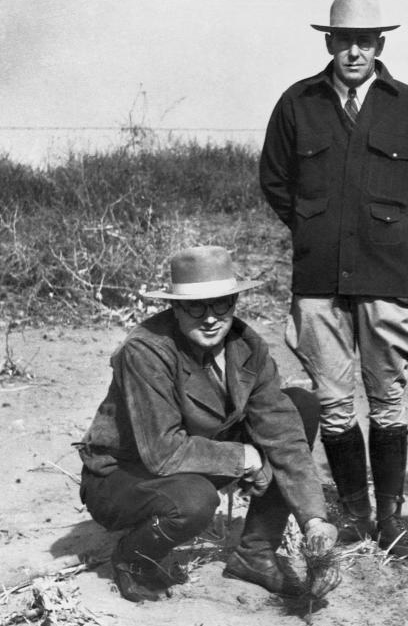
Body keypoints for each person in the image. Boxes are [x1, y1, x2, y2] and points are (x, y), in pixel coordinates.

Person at [259, 0, 408, 558]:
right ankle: (354, 514)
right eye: (345, 41)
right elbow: (276, 182)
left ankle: (391, 522)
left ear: (380, 44)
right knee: (335, 402)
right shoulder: (298, 105)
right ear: (330, 41)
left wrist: (389, 234)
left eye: (365, 42)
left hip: (391, 280)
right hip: (319, 282)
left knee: (387, 399)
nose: (354, 53)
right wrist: (316, 228)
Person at [77, 246, 338, 602]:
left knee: (300, 406)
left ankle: (255, 555)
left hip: (196, 454)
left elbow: (282, 432)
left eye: (222, 304)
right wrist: (247, 457)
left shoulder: (246, 345)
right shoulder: (146, 350)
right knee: (195, 501)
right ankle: (132, 559)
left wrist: (314, 520)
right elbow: (162, 453)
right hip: (124, 475)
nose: (211, 318)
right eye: (196, 307)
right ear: (175, 307)